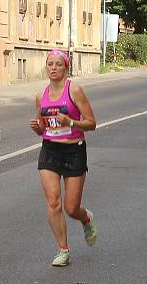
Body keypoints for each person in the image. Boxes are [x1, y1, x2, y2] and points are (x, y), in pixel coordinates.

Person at [28, 49, 98, 267]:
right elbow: (42, 129)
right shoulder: (41, 96)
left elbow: (92, 123)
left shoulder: (74, 90)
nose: (54, 68)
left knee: (71, 207)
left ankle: (86, 219)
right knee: (53, 202)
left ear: (66, 67)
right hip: (49, 150)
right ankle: (63, 250)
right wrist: (37, 127)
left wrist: (70, 123)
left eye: (58, 64)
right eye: (50, 64)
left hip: (74, 150)